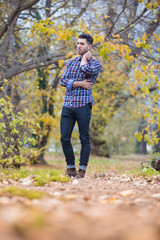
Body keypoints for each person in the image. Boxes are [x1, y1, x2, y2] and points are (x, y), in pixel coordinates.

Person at [60, 33, 101, 178]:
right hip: (68, 105)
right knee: (64, 138)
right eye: (78, 43)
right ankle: (71, 168)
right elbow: (63, 81)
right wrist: (80, 84)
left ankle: (82, 170)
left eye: (82, 44)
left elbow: (86, 70)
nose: (78, 46)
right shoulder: (71, 62)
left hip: (83, 105)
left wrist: (84, 59)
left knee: (84, 138)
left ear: (89, 46)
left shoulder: (95, 63)